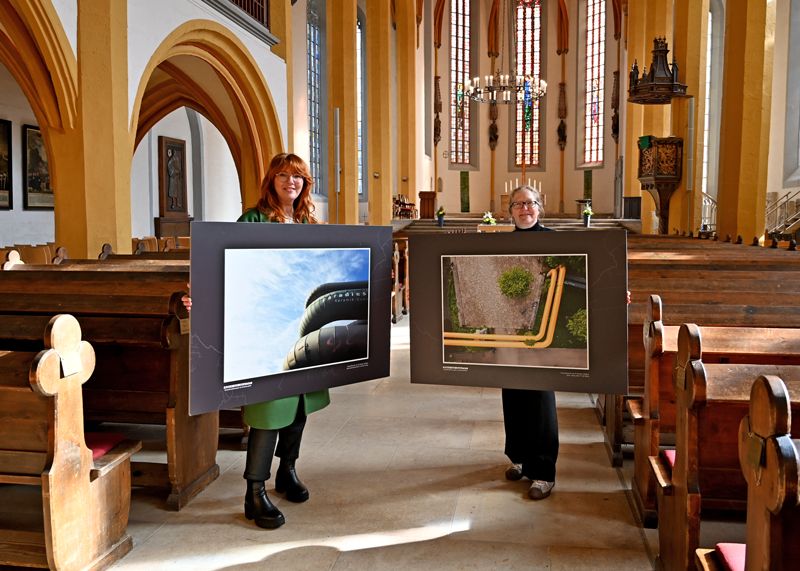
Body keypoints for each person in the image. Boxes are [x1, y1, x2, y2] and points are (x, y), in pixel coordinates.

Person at [182, 153, 328, 529]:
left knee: (299, 406)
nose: (289, 183)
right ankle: (254, 491)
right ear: (271, 181)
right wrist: (202, 292)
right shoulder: (252, 219)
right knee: (268, 411)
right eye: (282, 176)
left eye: (296, 177)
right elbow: (225, 262)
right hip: (266, 328)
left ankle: (287, 471)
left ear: (304, 184)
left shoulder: (310, 222)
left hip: (304, 326)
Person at [502, 184, 559, 500]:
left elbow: (589, 274)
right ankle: (519, 459)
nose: (525, 208)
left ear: (540, 207)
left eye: (531, 203)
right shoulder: (500, 245)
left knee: (539, 398)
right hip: (509, 328)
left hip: (543, 330)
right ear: (509, 211)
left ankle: (544, 472)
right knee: (512, 394)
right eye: (518, 204)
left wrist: (616, 295)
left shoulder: (555, 241)